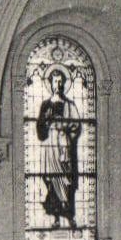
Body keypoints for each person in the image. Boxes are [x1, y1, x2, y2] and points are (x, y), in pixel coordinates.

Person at [35, 66, 82, 230]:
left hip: (64, 144)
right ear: (51, 83)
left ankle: (69, 216)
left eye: (61, 81)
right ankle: (55, 217)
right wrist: (47, 122)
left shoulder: (70, 105)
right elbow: (40, 128)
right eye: (56, 81)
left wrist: (67, 133)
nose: (59, 84)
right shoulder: (45, 105)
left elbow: (76, 125)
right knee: (52, 180)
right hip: (49, 145)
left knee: (66, 180)